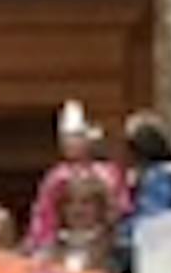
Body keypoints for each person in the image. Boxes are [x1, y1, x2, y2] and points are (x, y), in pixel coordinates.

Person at [27, 101, 130, 252]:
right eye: (69, 139)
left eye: (77, 137)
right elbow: (43, 216)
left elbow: (121, 207)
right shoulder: (55, 177)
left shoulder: (109, 173)